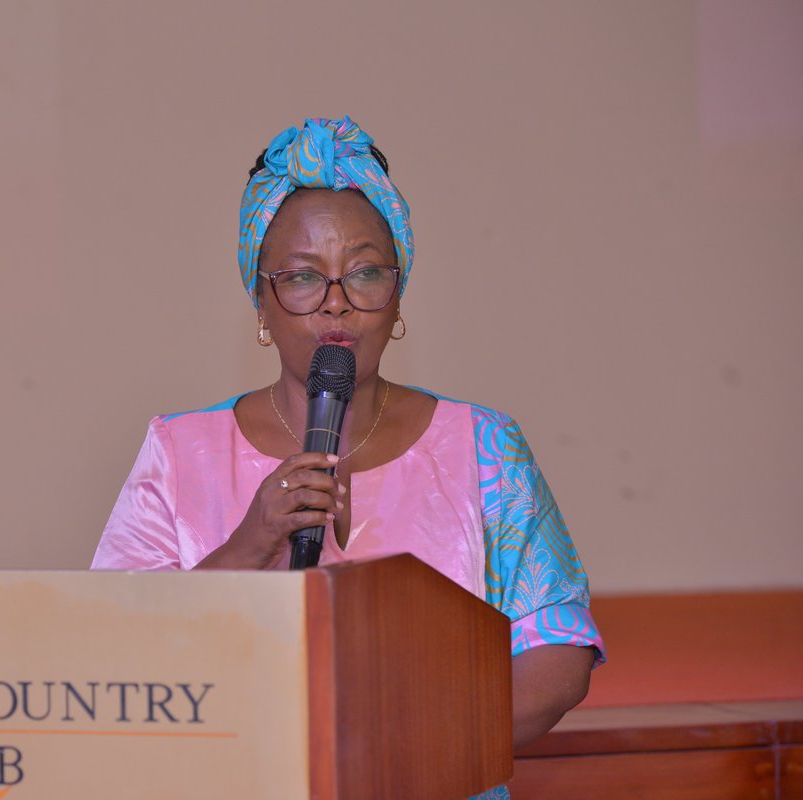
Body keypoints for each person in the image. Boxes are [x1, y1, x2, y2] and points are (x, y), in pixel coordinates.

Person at [91, 117, 603, 795]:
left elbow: (555, 660)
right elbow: (115, 656)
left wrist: (394, 755)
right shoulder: (177, 452)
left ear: (397, 296)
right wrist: (250, 544)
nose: (336, 303)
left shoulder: (486, 447)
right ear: (260, 302)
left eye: (364, 273)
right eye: (303, 277)